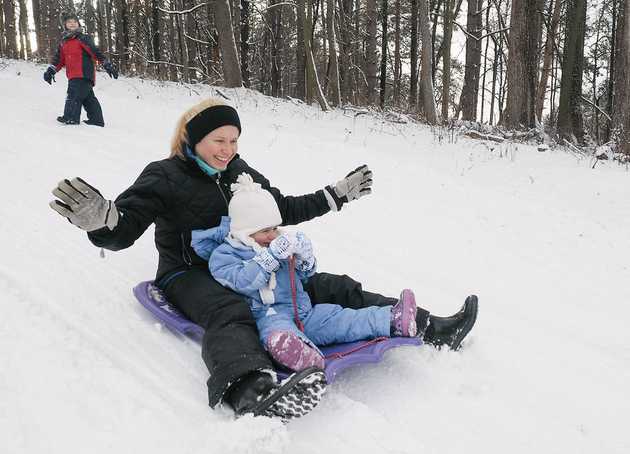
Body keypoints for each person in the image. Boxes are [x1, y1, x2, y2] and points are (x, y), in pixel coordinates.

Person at [49, 98, 478, 421]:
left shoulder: (239, 170)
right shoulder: (164, 175)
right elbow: (124, 227)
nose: (227, 149)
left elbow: (279, 210)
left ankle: (426, 324)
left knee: (328, 285)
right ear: (192, 139)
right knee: (229, 309)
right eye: (219, 140)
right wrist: (101, 221)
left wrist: (335, 195)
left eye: (234, 140)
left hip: (251, 256)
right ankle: (247, 386)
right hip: (189, 272)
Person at [192, 173, 419, 373]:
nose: (272, 235)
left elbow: (303, 277)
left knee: (340, 318)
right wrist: (270, 257)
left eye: (274, 228)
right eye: (264, 231)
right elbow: (242, 281)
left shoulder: (276, 243)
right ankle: (298, 355)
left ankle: (391, 319)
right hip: (267, 317)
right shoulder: (223, 256)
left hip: (304, 312)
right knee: (279, 334)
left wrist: (304, 258)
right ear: (243, 231)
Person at [43, 12, 118, 126]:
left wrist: (107, 64)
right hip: (75, 75)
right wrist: (51, 71)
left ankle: (70, 117)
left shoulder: (83, 38)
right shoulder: (64, 42)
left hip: (82, 73)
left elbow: (95, 52)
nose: (72, 24)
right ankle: (96, 120)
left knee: (73, 94)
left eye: (74, 21)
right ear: (65, 25)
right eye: (69, 22)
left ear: (78, 24)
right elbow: (59, 60)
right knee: (88, 98)